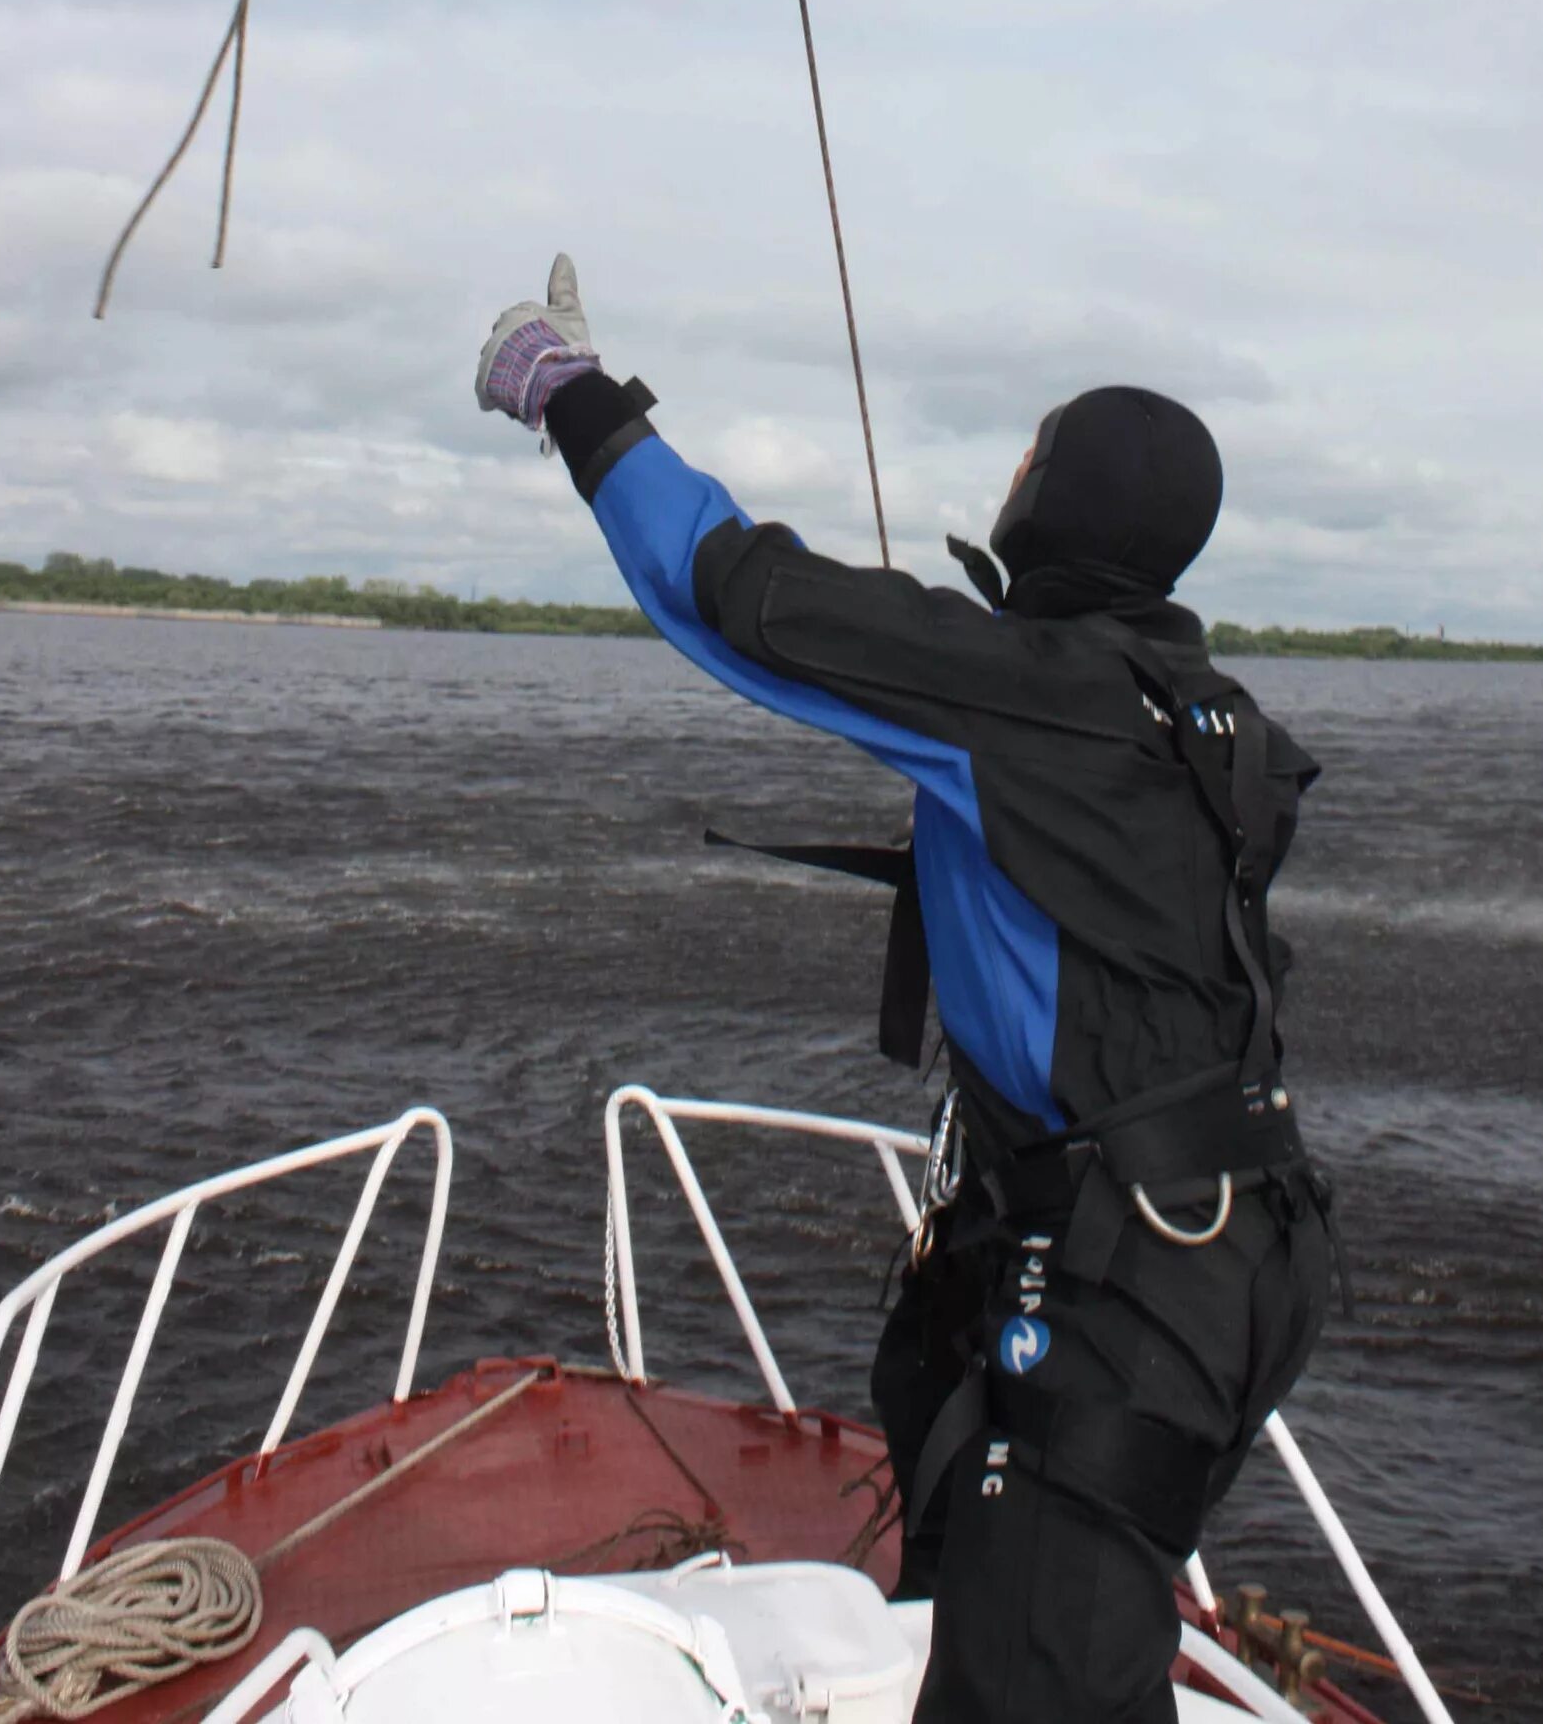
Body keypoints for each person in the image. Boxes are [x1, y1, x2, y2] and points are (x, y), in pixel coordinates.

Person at [476, 257, 1335, 1724]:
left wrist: (575, 398)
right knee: (987, 1538)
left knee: (1038, 1684)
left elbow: (734, 593)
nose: (1010, 473)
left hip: (1130, 1285)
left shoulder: (1038, 693)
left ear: (1071, 500)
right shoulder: (1207, 717)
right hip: (1226, 1253)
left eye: (1032, 456)